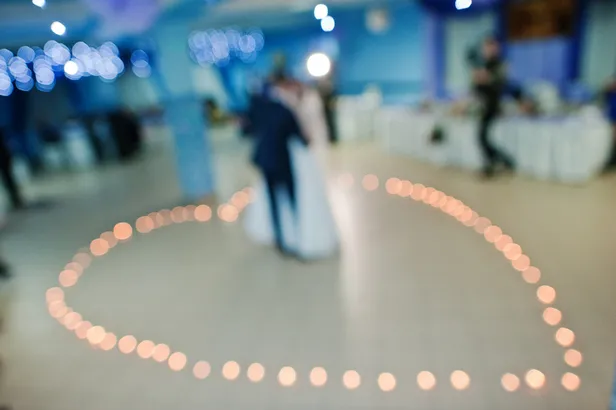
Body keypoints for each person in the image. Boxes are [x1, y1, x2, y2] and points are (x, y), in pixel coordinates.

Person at [244, 75, 338, 260]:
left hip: (266, 160)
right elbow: (301, 137)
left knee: (274, 201)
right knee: (292, 199)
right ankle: (292, 237)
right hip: (285, 161)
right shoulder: (284, 109)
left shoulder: (260, 104)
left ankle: (280, 238)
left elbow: (249, 128)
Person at [472, 36, 515, 178]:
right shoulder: (483, 64)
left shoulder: (500, 65)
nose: (487, 50)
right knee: (482, 137)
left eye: (490, 47)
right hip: (484, 105)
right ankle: (501, 162)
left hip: (493, 105)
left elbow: (501, 84)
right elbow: (476, 87)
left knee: (482, 137)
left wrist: (487, 78)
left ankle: (501, 162)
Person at [0, 128, 24, 211]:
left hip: (3, 156)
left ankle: (16, 200)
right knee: (8, 179)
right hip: (4, 155)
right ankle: (16, 200)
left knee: (8, 179)